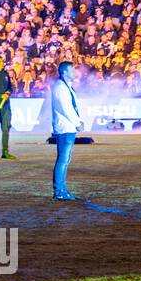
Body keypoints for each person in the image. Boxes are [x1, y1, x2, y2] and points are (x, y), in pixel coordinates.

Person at [51, 61, 83, 201]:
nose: (74, 72)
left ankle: (61, 190)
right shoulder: (60, 87)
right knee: (63, 159)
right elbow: (66, 108)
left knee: (65, 159)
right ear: (65, 72)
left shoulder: (65, 86)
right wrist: (77, 123)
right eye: (72, 69)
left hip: (67, 126)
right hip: (65, 127)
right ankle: (59, 191)